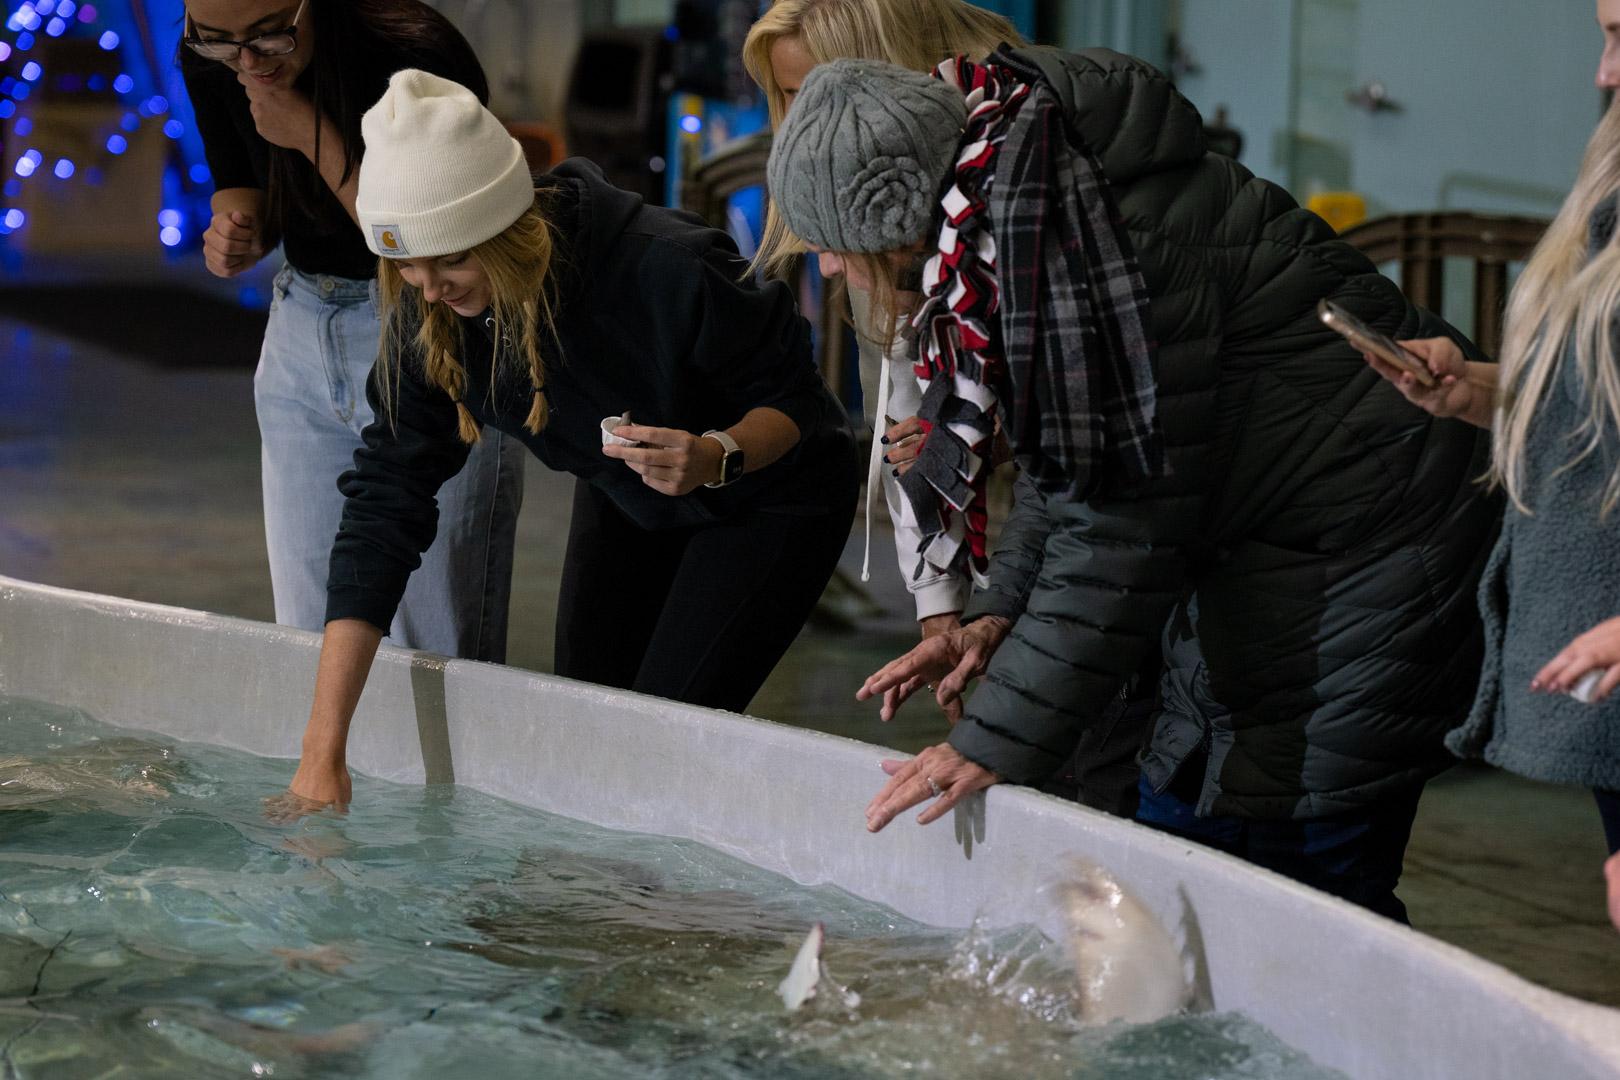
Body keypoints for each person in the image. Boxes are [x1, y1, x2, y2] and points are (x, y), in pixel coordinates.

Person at [769, 51, 1498, 922]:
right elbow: (1070, 459)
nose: (829, 272)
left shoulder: (1095, 240)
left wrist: (989, 738)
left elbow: (1117, 526)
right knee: (1183, 855)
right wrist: (998, 611)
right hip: (1274, 546)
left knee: (1284, 888)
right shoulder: (1031, 205)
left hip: (1371, 554)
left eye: (832, 249)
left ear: (894, 219)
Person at [273, 71, 858, 813]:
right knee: (586, 736)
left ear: (509, 230)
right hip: (630, 491)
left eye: (451, 258)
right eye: (406, 265)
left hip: (772, 498)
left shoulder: (667, 266)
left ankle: (672, 917)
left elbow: (802, 405)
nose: (430, 287)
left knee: (660, 738)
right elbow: (382, 511)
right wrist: (323, 754)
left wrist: (715, 454)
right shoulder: (433, 315)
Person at [742, 0, 1153, 816]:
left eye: (809, 89)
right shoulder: (900, 219)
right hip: (1050, 529)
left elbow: (1108, 499)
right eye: (784, 99)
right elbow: (910, 406)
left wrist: (1002, 730)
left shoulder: (1036, 195)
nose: (796, 124)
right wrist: (945, 612)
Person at [1363, 0, 1620, 931]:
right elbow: (1597, 397)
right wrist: (1475, 389)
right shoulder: (1608, 189)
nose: (1601, 72)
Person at [180, 0, 522, 661]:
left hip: (427, 322)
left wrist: (312, 133)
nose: (247, 63)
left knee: (438, 647)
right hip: (302, 323)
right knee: (307, 637)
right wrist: (235, 229)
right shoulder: (211, 53)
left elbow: (425, 246)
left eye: (269, 36)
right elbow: (238, 179)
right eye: (220, 43)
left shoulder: (415, 56)